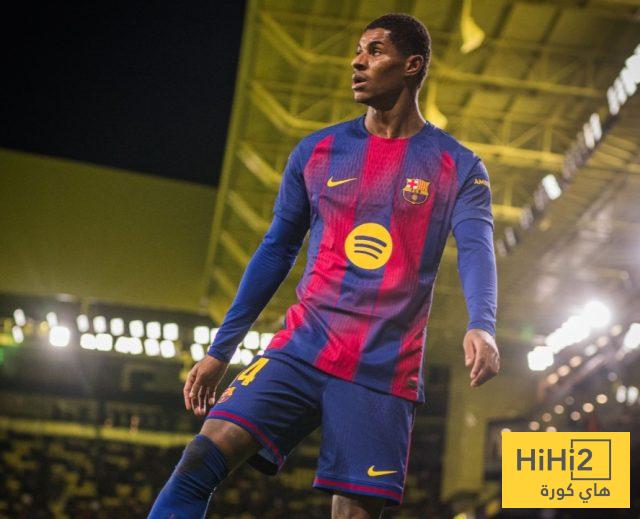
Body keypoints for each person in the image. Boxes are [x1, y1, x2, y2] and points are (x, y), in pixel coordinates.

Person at [149, 12, 499, 519]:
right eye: (358, 50)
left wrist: (482, 324)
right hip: (302, 346)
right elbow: (275, 251)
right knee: (199, 460)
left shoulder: (459, 166)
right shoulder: (316, 151)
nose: (357, 61)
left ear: (412, 65)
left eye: (374, 51)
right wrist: (221, 349)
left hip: (381, 370)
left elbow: (476, 248)